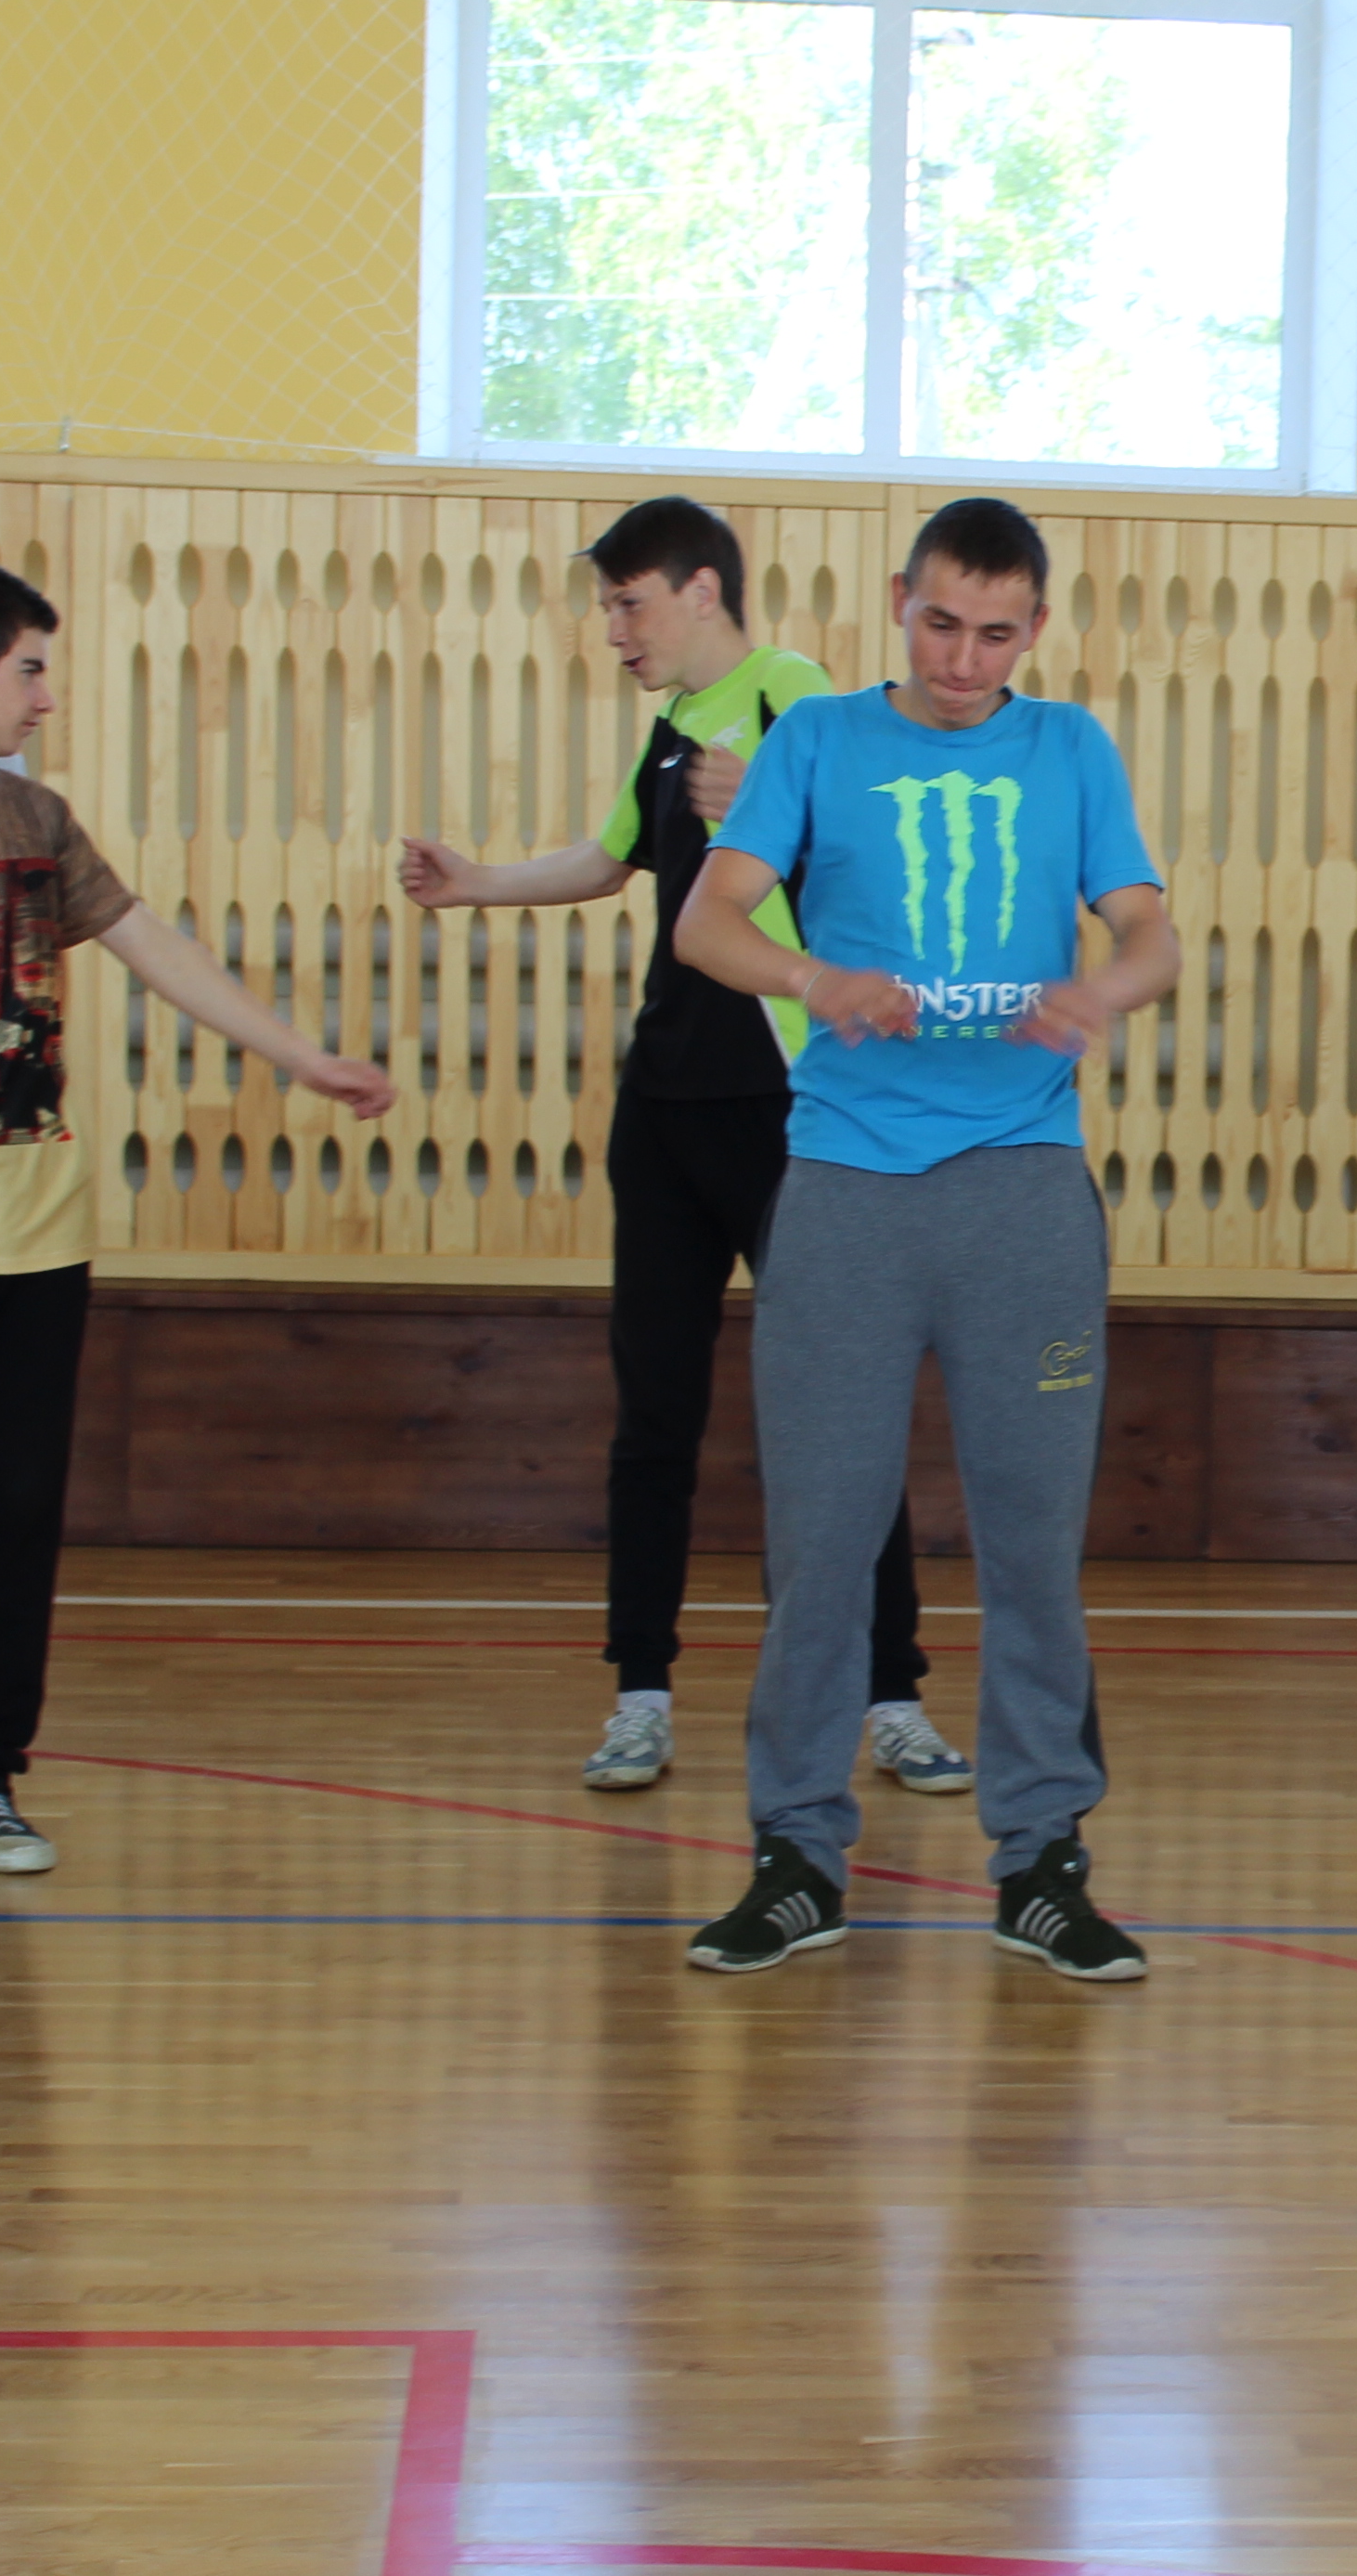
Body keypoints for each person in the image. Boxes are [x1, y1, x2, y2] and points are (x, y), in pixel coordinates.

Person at [0, 565, 395, 1880]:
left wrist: (304, 1058)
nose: (46, 696)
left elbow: (156, 946)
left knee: (10, 1513)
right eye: (31, 669)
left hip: (36, 1239)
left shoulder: (39, 820)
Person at [663, 498, 1180, 1983]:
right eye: (941, 623)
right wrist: (813, 979)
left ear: (1037, 629)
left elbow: (1150, 934)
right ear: (901, 599)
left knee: (1033, 1546)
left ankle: (1043, 1861)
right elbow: (709, 925)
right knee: (821, 1543)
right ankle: (796, 1858)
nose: (963, 661)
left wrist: (1102, 992)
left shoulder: (1070, 748)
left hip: (1023, 1189)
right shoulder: (819, 740)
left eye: (997, 634)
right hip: (846, 1187)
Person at [397, 494, 963, 1804]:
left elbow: (869, 855)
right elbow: (608, 865)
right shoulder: (669, 729)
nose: (614, 630)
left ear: (702, 591)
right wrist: (478, 882)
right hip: (662, 1119)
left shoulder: (793, 694)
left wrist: (770, 804)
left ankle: (892, 1696)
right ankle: (639, 1694)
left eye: (629, 603)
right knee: (654, 1413)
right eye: (608, 606)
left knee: (837, 1411)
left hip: (789, 1116)